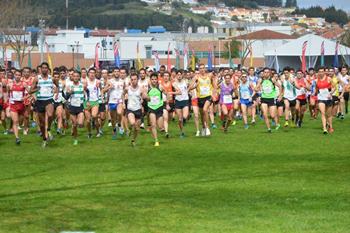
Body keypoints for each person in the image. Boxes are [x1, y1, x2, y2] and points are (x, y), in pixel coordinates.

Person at [29, 62, 57, 147]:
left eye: (46, 68)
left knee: (50, 114)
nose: (44, 69)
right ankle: (44, 139)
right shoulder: (37, 78)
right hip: (40, 101)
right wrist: (37, 89)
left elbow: (57, 86)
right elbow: (30, 91)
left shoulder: (51, 78)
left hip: (49, 99)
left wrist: (56, 92)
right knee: (41, 123)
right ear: (41, 69)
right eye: (43, 68)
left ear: (48, 69)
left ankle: (48, 128)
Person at [189, 64, 217, 136]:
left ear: (205, 69)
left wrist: (214, 94)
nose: (201, 69)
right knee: (202, 115)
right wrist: (195, 85)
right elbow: (190, 87)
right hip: (200, 98)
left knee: (205, 110)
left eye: (203, 68)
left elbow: (214, 86)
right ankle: (204, 127)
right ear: (198, 70)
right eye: (200, 68)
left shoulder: (209, 76)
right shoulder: (196, 77)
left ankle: (207, 128)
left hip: (208, 96)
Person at [123, 73, 147, 146]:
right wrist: (124, 103)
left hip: (138, 110)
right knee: (133, 123)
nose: (133, 81)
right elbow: (122, 94)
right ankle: (129, 129)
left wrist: (145, 98)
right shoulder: (127, 88)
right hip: (130, 109)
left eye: (135, 79)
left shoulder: (141, 89)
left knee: (137, 128)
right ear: (130, 80)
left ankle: (133, 140)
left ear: (137, 80)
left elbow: (145, 97)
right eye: (132, 79)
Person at [255, 67, 282, 133]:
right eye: (265, 72)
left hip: (272, 99)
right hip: (264, 99)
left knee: (272, 115)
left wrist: (280, 95)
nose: (266, 74)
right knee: (265, 114)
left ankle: (277, 123)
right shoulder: (260, 80)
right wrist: (257, 89)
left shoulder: (272, 80)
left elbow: (280, 86)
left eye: (267, 72)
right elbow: (256, 88)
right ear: (263, 73)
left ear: (269, 73)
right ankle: (269, 128)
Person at [7, 69, 29, 144]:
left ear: (21, 76)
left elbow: (30, 92)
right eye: (16, 75)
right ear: (14, 75)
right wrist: (8, 103)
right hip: (13, 105)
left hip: (22, 106)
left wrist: (25, 98)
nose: (17, 76)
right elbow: (7, 94)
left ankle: (22, 129)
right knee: (15, 121)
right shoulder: (10, 84)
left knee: (20, 121)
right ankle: (17, 138)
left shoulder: (24, 84)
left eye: (19, 75)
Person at [103, 67, 125, 140]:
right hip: (112, 102)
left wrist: (124, 102)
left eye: (117, 71)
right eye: (115, 71)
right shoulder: (110, 81)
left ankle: (120, 126)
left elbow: (124, 92)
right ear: (113, 73)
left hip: (119, 101)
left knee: (119, 113)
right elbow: (103, 90)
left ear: (119, 72)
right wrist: (109, 87)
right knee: (113, 119)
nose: (116, 73)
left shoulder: (122, 81)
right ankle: (115, 131)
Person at [66, 70, 85, 145]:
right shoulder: (69, 85)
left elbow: (87, 94)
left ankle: (74, 129)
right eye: (74, 76)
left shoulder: (82, 85)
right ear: (72, 77)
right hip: (72, 107)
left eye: (77, 76)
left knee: (80, 123)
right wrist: (70, 92)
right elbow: (66, 97)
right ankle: (75, 139)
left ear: (79, 77)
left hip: (80, 106)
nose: (76, 77)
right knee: (74, 125)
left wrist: (87, 102)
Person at [146, 73, 164, 146]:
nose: (154, 81)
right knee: (153, 125)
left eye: (155, 79)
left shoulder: (160, 87)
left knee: (160, 127)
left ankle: (158, 129)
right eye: (152, 79)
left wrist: (168, 103)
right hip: (151, 108)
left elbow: (167, 94)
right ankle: (156, 140)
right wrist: (146, 97)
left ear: (157, 80)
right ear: (150, 80)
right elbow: (144, 95)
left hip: (159, 107)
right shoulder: (147, 88)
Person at [315, 67, 334, 134]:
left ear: (324, 72)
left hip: (328, 98)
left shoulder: (329, 79)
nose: (321, 73)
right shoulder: (316, 80)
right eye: (319, 71)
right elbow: (316, 90)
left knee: (328, 115)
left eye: (322, 71)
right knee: (323, 113)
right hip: (321, 98)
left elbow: (334, 88)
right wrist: (314, 94)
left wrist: (330, 93)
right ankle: (324, 128)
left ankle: (330, 127)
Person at [83, 68, 101, 138]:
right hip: (87, 102)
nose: (92, 74)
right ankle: (89, 133)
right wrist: (86, 101)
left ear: (95, 74)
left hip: (95, 101)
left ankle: (97, 131)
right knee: (88, 121)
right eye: (90, 73)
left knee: (94, 116)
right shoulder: (85, 81)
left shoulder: (98, 81)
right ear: (88, 74)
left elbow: (101, 90)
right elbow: (83, 92)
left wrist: (101, 96)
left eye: (93, 73)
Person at [172, 70, 190, 137]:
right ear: (176, 75)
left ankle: (184, 120)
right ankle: (182, 132)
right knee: (179, 119)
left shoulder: (186, 82)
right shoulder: (174, 83)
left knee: (184, 116)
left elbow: (190, 87)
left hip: (185, 100)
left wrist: (189, 90)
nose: (179, 76)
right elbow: (177, 91)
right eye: (178, 74)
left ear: (182, 75)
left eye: (180, 74)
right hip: (178, 101)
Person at [21, 67, 34, 135]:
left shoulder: (32, 80)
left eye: (28, 72)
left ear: (30, 72)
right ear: (22, 72)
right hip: (21, 98)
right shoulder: (20, 79)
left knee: (26, 115)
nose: (26, 73)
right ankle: (25, 126)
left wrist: (30, 97)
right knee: (22, 115)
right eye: (25, 72)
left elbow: (34, 90)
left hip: (29, 98)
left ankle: (25, 128)